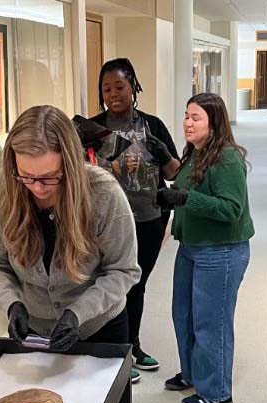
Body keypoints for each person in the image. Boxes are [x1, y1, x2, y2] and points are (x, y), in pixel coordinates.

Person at [0, 105, 140, 355]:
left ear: (71, 165)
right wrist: (11, 303)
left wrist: (78, 313)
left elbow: (123, 270)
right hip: (32, 330)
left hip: (99, 327)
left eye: (50, 177)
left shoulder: (104, 194)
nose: (38, 188)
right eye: (26, 176)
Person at [157, 92, 253, 403]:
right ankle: (193, 374)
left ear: (214, 123)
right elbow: (182, 182)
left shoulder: (226, 157)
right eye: (186, 115)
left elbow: (231, 209)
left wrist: (185, 199)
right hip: (191, 247)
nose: (187, 122)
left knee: (211, 322)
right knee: (183, 314)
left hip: (221, 251)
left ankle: (216, 391)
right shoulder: (196, 153)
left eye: (195, 117)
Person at [88, 58, 180, 381]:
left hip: (148, 220)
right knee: (110, 285)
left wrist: (164, 155)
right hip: (104, 223)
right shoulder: (92, 128)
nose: (113, 94)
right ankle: (115, 350)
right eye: (106, 89)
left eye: (119, 87)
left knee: (136, 285)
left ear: (134, 87)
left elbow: (176, 174)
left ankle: (132, 347)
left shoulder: (152, 126)